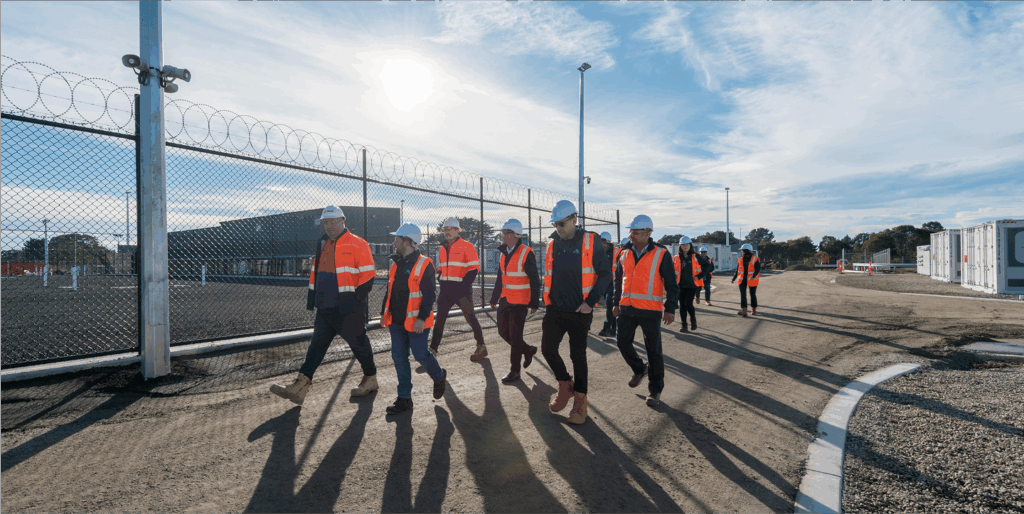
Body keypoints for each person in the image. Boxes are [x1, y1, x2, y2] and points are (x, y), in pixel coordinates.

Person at [270, 206, 378, 405]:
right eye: (326, 222)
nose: (330, 226)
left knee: (358, 343)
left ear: (343, 220)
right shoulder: (322, 243)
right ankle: (300, 386)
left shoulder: (357, 243)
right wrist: (315, 299)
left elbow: (369, 274)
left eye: (333, 221)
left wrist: (356, 301)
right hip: (325, 305)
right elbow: (318, 273)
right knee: (316, 347)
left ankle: (370, 379)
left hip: (348, 307)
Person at [541, 200, 613, 424]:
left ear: (574, 220)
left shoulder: (592, 241)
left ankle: (580, 403)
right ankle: (565, 385)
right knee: (547, 349)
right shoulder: (553, 244)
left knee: (577, 355)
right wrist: (548, 301)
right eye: (555, 225)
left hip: (580, 311)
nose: (558, 229)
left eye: (561, 224)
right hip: (555, 308)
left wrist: (590, 303)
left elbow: (605, 275)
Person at [380, 224, 447, 416]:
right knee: (399, 359)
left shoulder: (425, 264)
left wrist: (421, 318)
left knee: (420, 354)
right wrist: (384, 313)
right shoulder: (395, 263)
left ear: (407, 242)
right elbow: (390, 290)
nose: (394, 242)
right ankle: (404, 399)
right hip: (396, 322)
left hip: (416, 322)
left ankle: (439, 376)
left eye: (397, 239)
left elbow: (429, 294)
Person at [612, 215, 678, 407]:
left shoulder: (661, 253)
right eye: (631, 231)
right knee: (622, 342)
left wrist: (670, 308)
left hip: (650, 310)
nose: (631, 235)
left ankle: (655, 391)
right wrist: (616, 303)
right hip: (626, 308)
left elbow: (672, 284)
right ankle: (640, 368)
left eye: (636, 232)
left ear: (647, 234)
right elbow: (618, 281)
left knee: (654, 351)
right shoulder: (623, 253)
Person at [489, 219, 541, 383]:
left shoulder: (526, 253)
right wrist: (494, 297)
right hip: (505, 299)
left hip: (520, 302)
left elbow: (535, 279)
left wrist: (534, 302)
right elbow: (500, 277)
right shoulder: (504, 253)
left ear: (512, 234)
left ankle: (515, 371)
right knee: (503, 332)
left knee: (515, 335)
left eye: (504, 232)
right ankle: (528, 350)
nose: (502, 235)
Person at [430, 217, 487, 361]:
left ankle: (481, 346)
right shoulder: (442, 248)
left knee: (470, 318)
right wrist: (441, 279)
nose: (447, 232)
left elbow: (474, 269)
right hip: (446, 290)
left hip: (462, 291)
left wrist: (463, 286)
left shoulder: (467, 246)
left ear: (457, 230)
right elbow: (442, 269)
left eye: (450, 229)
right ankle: (432, 351)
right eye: (445, 229)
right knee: (440, 320)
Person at [674, 236, 708, 332]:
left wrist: (700, 276)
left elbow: (707, 266)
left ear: (690, 245)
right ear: (680, 246)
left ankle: (693, 321)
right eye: (683, 245)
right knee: (682, 305)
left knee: (688, 304)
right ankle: (684, 325)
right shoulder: (676, 258)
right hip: (680, 285)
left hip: (692, 285)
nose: (685, 246)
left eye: (687, 244)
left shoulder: (695, 256)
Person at [732, 243, 761, 317]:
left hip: (752, 280)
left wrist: (753, 276)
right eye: (742, 250)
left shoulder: (755, 259)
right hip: (742, 280)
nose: (742, 251)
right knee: (743, 295)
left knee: (752, 294)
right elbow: (738, 270)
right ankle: (744, 310)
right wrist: (734, 278)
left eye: (743, 250)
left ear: (748, 250)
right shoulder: (740, 259)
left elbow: (757, 269)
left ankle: (753, 310)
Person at [597, 231, 617, 338]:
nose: (602, 245)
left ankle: (608, 327)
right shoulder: (600, 253)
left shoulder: (615, 252)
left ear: (608, 242)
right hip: (605, 283)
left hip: (614, 283)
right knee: (609, 305)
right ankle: (613, 327)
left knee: (610, 305)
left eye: (603, 243)